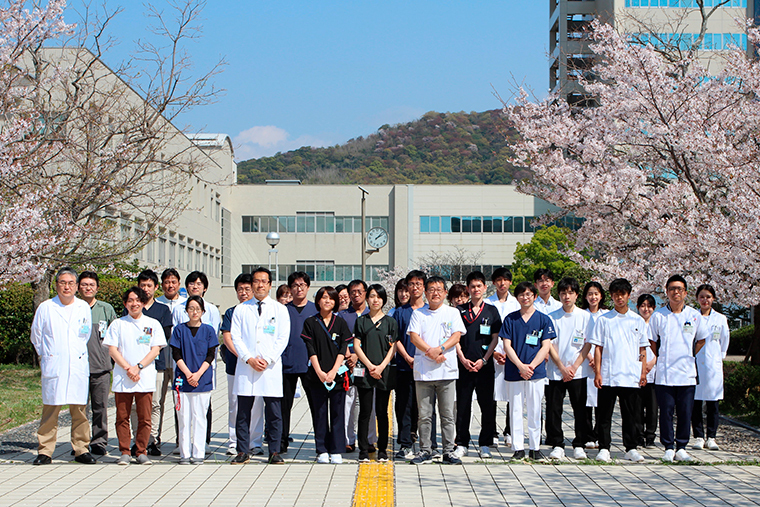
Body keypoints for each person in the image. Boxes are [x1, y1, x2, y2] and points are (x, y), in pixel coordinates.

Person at [31, 267, 96, 465]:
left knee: (79, 410)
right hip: (55, 363)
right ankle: (45, 450)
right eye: (62, 283)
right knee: (51, 409)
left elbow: (84, 334)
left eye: (70, 283)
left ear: (76, 286)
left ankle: (81, 449)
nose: (66, 287)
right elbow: (37, 335)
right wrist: (47, 355)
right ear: (56, 285)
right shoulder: (46, 307)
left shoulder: (82, 307)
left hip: (76, 363)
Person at [230, 267, 289, 464]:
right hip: (247, 366)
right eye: (256, 281)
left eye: (264, 281)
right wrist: (249, 358)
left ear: (270, 285)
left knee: (273, 412)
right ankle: (242, 450)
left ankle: (274, 451)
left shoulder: (279, 309)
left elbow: (283, 337)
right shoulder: (241, 309)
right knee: (243, 412)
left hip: (269, 367)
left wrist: (269, 359)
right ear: (252, 284)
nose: (260, 285)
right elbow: (236, 337)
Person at [588, 278, 649, 463]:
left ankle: (630, 448)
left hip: (630, 375)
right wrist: (598, 372)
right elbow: (598, 347)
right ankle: (604, 447)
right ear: (612, 296)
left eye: (622, 294)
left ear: (629, 296)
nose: (619, 298)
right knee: (604, 415)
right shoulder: (603, 320)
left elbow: (643, 349)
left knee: (630, 415)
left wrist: (643, 372)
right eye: (615, 295)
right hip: (609, 374)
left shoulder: (637, 320)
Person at [104, 287, 166, 465]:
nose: (134, 304)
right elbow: (112, 349)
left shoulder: (153, 323)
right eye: (130, 300)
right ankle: (124, 451)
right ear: (125, 304)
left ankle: (141, 451)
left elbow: (156, 349)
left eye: (138, 300)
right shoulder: (118, 324)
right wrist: (127, 368)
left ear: (143, 303)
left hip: (144, 376)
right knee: (122, 416)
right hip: (123, 377)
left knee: (144, 417)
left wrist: (138, 367)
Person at [649, 274, 709, 462]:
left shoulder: (694, 315)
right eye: (672, 289)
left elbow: (701, 339)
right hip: (665, 373)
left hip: (687, 372)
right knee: (665, 411)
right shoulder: (659, 315)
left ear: (685, 293)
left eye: (679, 289)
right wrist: (661, 356)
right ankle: (668, 446)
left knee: (685, 411)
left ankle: (682, 446)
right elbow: (651, 341)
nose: (676, 292)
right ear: (666, 292)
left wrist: (690, 354)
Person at [408, 276, 465, 465]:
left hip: (446, 371)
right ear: (425, 292)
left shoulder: (452, 313)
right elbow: (414, 337)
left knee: (447, 414)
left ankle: (449, 450)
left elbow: (456, 336)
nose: (435, 293)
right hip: (424, 371)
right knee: (424, 414)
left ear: (445, 293)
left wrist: (439, 350)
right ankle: (425, 450)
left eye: (439, 289)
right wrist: (430, 352)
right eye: (431, 289)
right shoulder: (418, 314)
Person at [501, 281, 555, 461]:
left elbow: (546, 346)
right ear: (517, 298)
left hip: (536, 373)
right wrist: (520, 366)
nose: (525, 297)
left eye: (529, 294)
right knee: (515, 410)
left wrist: (530, 367)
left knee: (535, 409)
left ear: (535, 296)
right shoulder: (510, 319)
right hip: (514, 371)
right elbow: (506, 345)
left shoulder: (543, 319)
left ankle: (534, 447)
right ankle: (518, 448)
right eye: (522, 295)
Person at [302, 286, 353, 464]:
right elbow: (311, 349)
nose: (327, 301)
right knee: (320, 412)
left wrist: (332, 371)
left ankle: (337, 449)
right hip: (316, 375)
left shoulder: (340, 323)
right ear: (317, 301)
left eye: (331, 298)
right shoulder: (310, 322)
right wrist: (320, 372)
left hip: (336, 375)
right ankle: (322, 449)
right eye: (324, 298)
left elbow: (343, 348)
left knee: (338, 412)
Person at [453, 271, 500, 459]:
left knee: (487, 405)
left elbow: (495, 338)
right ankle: (461, 443)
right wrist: (463, 359)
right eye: (472, 286)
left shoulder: (491, 311)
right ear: (467, 289)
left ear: (485, 288)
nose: (475, 289)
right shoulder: (459, 311)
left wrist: (485, 359)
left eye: (479, 286)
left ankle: (485, 443)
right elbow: (455, 337)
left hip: (484, 367)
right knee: (463, 406)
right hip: (463, 366)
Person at [172, 271, 221, 449]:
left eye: (199, 283)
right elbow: (175, 345)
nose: (195, 286)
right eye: (192, 283)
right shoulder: (178, 309)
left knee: (203, 408)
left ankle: (204, 442)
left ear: (205, 288)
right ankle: (182, 444)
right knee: (182, 409)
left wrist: (200, 372)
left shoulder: (213, 310)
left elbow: (212, 339)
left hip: (204, 368)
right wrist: (186, 371)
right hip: (183, 367)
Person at [546, 277, 593, 461]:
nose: (567, 296)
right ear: (559, 295)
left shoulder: (585, 316)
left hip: (578, 371)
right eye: (563, 293)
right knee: (554, 409)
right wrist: (561, 367)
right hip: (556, 370)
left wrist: (573, 366)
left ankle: (579, 443)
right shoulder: (552, 316)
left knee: (580, 409)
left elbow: (588, 344)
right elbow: (548, 344)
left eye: (570, 293)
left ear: (576, 295)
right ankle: (557, 444)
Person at [130, 270, 173, 457]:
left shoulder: (163, 310)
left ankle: (152, 440)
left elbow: (165, 337)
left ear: (156, 287)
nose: (145, 289)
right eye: (142, 285)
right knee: (134, 404)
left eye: (149, 286)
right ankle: (136, 440)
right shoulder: (131, 308)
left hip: (157, 364)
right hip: (133, 365)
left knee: (155, 403)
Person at [221, 273, 264, 456]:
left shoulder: (261, 310)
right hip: (236, 364)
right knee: (235, 404)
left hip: (260, 365)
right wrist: (244, 357)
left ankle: (255, 441)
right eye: (240, 289)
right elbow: (228, 336)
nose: (243, 293)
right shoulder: (232, 311)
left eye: (247, 289)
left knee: (257, 405)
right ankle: (234, 441)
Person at [354, 284, 398, 462]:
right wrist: (370, 365)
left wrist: (380, 367)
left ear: (383, 300)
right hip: (365, 371)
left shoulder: (390, 322)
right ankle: (363, 449)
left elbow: (393, 347)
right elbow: (357, 345)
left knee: (382, 412)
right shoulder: (361, 321)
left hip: (383, 372)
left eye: (378, 297)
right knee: (364, 411)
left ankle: (382, 450)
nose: (375, 300)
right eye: (372, 296)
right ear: (367, 298)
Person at [78, 271, 117, 456]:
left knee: (100, 406)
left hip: (101, 367)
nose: (88, 288)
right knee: (79, 408)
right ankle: (80, 443)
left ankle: (99, 441)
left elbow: (115, 336)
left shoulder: (106, 309)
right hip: (78, 367)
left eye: (91, 285)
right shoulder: (73, 308)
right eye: (84, 284)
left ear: (97, 288)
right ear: (79, 287)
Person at [281, 271, 318, 454]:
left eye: (302, 285)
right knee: (284, 406)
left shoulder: (316, 310)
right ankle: (281, 441)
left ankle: (320, 442)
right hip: (287, 364)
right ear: (290, 288)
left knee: (316, 404)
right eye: (295, 285)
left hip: (311, 365)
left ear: (308, 287)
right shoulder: (283, 310)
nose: (299, 288)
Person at [394, 270, 428, 460]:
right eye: (412, 284)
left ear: (424, 287)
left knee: (424, 408)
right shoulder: (401, 312)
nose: (415, 287)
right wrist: (407, 357)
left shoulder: (430, 309)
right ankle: (405, 444)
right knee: (404, 406)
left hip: (427, 367)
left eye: (418, 284)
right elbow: (396, 338)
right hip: (404, 366)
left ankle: (427, 444)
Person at [692, 284, 730, 451]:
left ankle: (712, 437)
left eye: (708, 297)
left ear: (713, 298)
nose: (705, 300)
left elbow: (725, 340)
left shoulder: (720, 319)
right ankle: (699, 436)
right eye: (702, 297)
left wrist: (719, 357)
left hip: (713, 365)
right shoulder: (693, 316)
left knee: (713, 403)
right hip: (696, 364)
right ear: (697, 299)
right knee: (696, 402)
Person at [485, 267, 519, 448]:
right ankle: (492, 431)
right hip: (492, 355)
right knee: (491, 395)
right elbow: (483, 334)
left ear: (510, 282)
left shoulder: (517, 303)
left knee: (512, 395)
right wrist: (494, 353)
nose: (502, 283)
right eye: (498, 280)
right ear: (493, 283)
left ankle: (510, 430)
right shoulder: (487, 303)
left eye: (505, 280)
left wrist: (509, 353)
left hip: (512, 356)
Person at [338, 279, 370, 453]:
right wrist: (349, 355)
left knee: (367, 403)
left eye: (359, 291)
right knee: (347, 403)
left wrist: (359, 354)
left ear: (365, 292)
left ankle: (369, 439)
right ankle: (347, 439)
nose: (356, 295)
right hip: (347, 365)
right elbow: (340, 339)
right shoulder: (343, 316)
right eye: (353, 292)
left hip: (367, 364)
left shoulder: (372, 313)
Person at [581, 281, 609, 449]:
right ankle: (587, 435)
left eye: (596, 294)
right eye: (590, 294)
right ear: (585, 296)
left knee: (601, 401)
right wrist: (590, 357)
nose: (593, 297)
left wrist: (598, 359)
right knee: (585, 401)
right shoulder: (582, 314)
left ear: (601, 296)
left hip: (603, 363)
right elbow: (582, 339)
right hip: (585, 361)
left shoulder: (606, 315)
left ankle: (599, 434)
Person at [637, 294, 658, 448]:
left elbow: (661, 348)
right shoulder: (634, 323)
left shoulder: (656, 324)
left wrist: (651, 363)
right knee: (637, 406)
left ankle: (650, 436)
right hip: (637, 370)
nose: (646, 309)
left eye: (649, 306)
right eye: (643, 305)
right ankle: (638, 435)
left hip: (653, 370)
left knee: (652, 407)